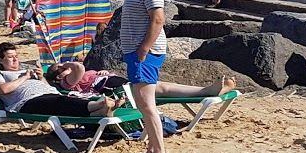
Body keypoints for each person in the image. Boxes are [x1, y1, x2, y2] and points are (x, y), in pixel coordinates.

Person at [116, 0, 169, 153]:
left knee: (147, 104)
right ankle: (152, 150)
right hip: (136, 52)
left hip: (145, 53)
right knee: (141, 103)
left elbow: (158, 19)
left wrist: (144, 49)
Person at [0, 41, 125, 119]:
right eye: (10, 57)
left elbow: (47, 87)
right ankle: (100, 106)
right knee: (60, 102)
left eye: (16, 56)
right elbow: (3, 90)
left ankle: (100, 110)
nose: (15, 59)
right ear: (0, 60)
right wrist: (25, 77)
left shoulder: (24, 70)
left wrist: (41, 78)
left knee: (63, 100)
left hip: (48, 94)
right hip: (26, 102)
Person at [50, 60, 236, 101]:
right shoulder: (67, 81)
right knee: (161, 88)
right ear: (59, 75)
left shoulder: (70, 77)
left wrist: (101, 72)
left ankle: (205, 90)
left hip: (113, 83)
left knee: (161, 87)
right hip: (113, 89)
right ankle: (205, 91)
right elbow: (79, 68)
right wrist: (67, 64)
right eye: (62, 67)